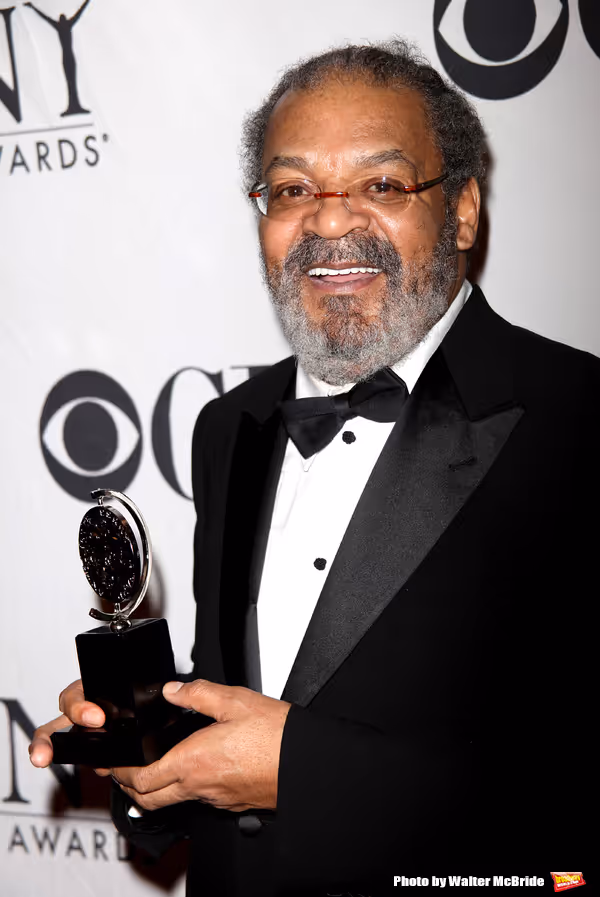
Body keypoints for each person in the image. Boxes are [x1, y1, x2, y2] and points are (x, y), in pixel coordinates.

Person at [29, 41, 594, 896]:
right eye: (292, 189)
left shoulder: (578, 418)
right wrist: (148, 754)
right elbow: (235, 710)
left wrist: (303, 769)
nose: (329, 223)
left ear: (464, 211)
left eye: (381, 184)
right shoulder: (231, 425)